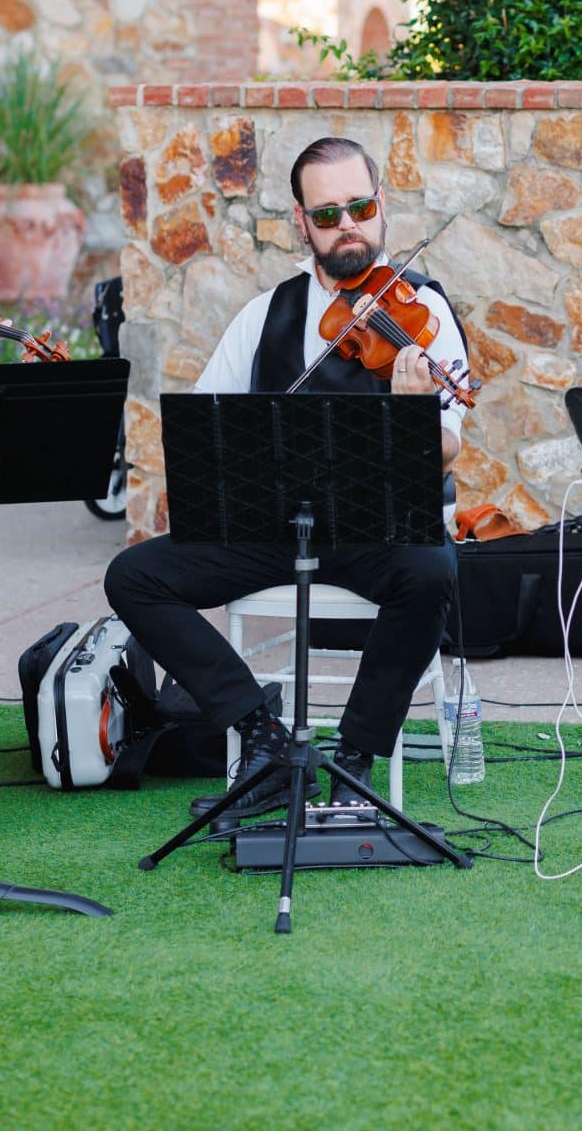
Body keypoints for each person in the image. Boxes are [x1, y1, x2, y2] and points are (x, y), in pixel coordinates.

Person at [103, 136, 469, 812]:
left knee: (433, 570)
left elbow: (449, 446)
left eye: (359, 206)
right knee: (134, 575)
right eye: (327, 214)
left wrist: (413, 414)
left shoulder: (423, 313)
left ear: (381, 204)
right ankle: (262, 735)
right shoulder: (264, 315)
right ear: (302, 223)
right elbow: (207, 430)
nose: (347, 224)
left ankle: (356, 756)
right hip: (276, 528)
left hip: (377, 532)